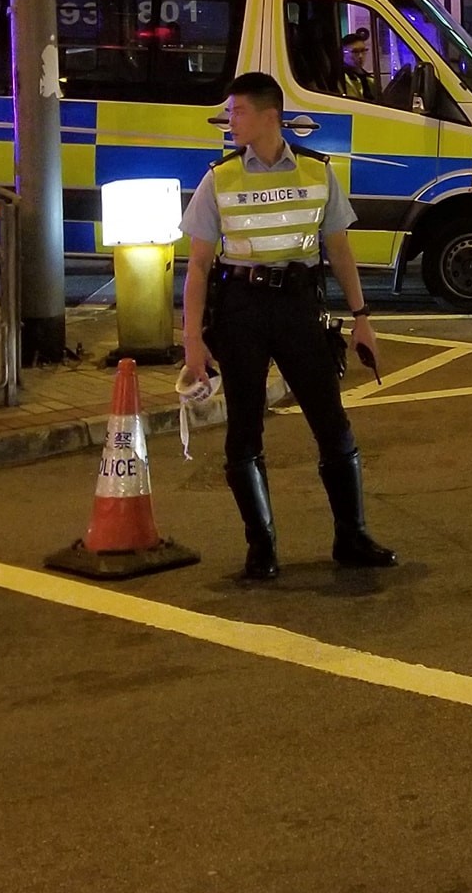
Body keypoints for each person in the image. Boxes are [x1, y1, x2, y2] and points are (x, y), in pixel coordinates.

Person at [181, 72, 396, 581]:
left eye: (236, 111)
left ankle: (352, 536)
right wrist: (191, 340)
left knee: (331, 422)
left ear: (268, 116)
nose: (229, 120)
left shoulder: (318, 172)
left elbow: (340, 250)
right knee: (244, 431)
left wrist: (363, 320)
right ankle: (262, 547)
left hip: (300, 307)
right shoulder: (220, 177)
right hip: (241, 311)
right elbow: (196, 265)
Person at [339, 29, 376, 102]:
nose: (360, 56)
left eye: (363, 50)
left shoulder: (367, 78)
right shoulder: (342, 78)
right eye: (355, 52)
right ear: (343, 53)